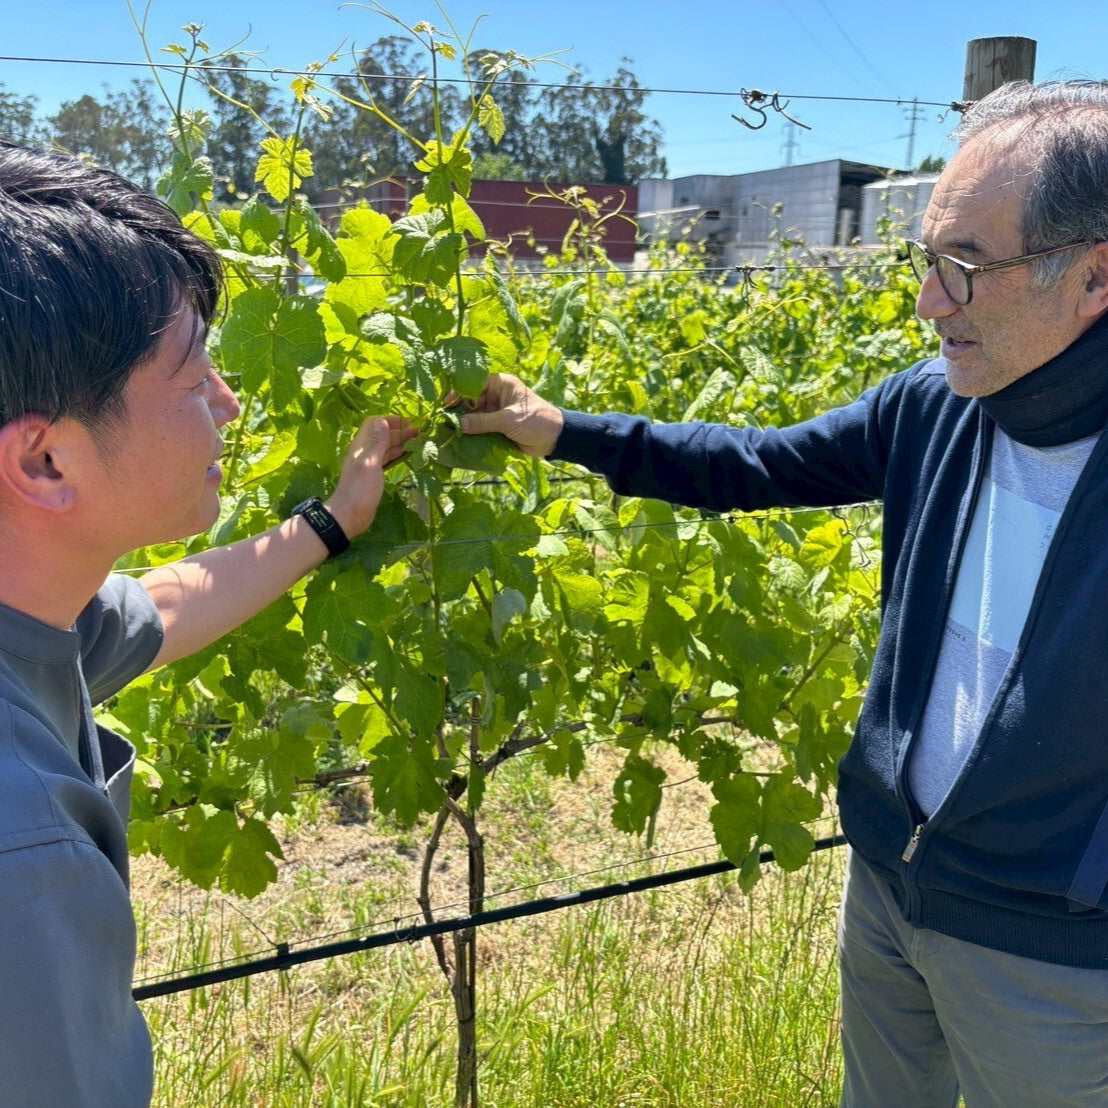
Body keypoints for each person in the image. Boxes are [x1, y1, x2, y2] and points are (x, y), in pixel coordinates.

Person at [456, 80, 1108, 1106]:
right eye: (923, 260)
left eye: (964, 269)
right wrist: (560, 430)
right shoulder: (933, 407)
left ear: (1094, 277)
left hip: (1055, 951)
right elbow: (752, 466)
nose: (927, 301)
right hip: (891, 886)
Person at [0, 145, 413, 1104]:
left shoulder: (33, 613)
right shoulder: (24, 857)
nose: (229, 403)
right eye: (193, 382)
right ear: (47, 464)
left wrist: (333, 521)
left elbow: (162, 608)